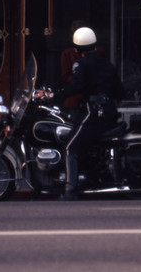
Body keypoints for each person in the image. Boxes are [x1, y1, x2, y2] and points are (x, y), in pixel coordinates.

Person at [35, 27, 124, 200]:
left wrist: (52, 95)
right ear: (94, 45)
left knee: (70, 147)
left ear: (77, 49)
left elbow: (76, 87)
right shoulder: (107, 64)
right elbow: (120, 92)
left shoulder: (80, 64)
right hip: (109, 113)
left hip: (94, 112)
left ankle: (71, 190)